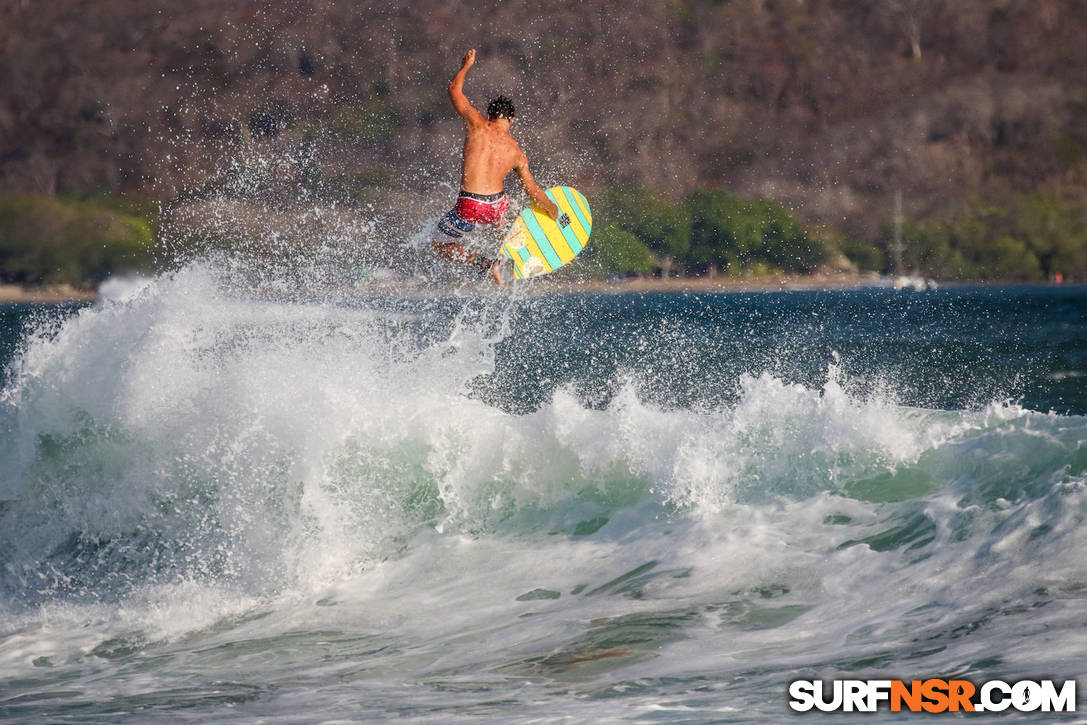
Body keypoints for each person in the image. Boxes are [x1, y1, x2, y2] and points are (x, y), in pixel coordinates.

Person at [432, 49, 559, 284]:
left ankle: (486, 264)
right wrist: (552, 209)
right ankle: (511, 244)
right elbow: (532, 191)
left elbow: (454, 91)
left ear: (489, 115)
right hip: (496, 206)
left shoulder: (477, 125)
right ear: (511, 121)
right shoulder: (517, 152)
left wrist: (466, 65)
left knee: (440, 244)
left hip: (470, 205)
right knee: (503, 209)